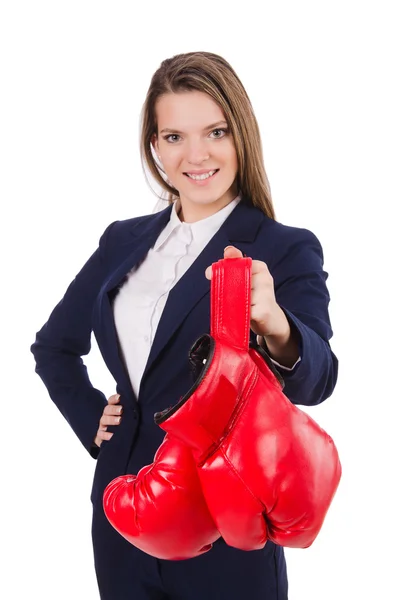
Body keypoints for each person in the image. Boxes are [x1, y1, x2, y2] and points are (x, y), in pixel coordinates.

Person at [30, 51, 338, 600]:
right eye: (174, 136)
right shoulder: (121, 241)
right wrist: (92, 419)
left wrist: (274, 323)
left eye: (215, 131)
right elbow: (54, 346)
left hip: (226, 523)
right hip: (123, 515)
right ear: (154, 146)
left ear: (241, 135)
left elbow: (318, 380)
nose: (196, 155)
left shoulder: (284, 247)